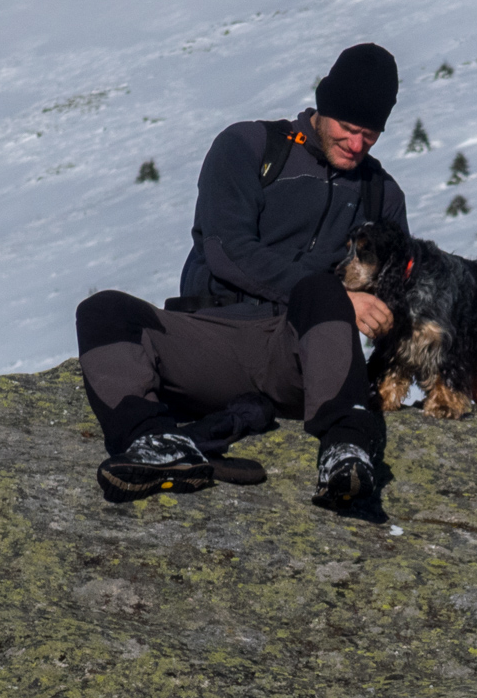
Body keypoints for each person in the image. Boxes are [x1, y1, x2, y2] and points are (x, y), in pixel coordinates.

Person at [74, 43, 407, 516]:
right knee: (102, 310)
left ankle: (345, 450)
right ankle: (153, 444)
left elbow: (401, 291)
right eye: (349, 129)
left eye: (370, 136)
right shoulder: (251, 147)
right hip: (213, 336)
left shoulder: (383, 196)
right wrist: (337, 297)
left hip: (299, 355)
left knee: (320, 292)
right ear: (324, 107)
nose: (357, 145)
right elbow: (227, 250)